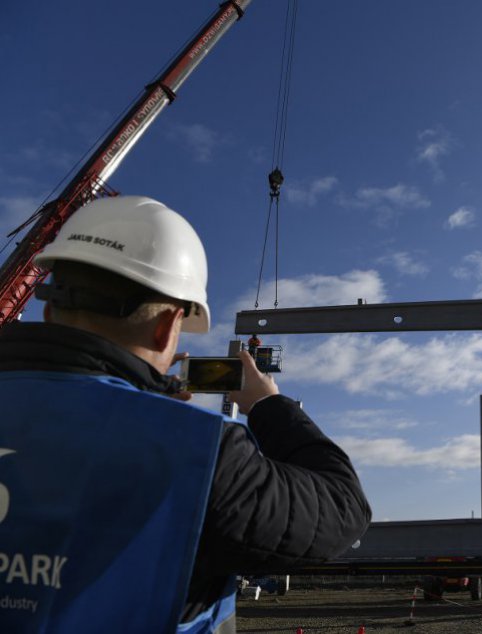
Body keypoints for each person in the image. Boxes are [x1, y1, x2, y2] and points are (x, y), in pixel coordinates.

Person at [0, 196, 372, 633]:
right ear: (167, 328)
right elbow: (343, 508)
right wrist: (268, 404)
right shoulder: (196, 452)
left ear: (48, 309)